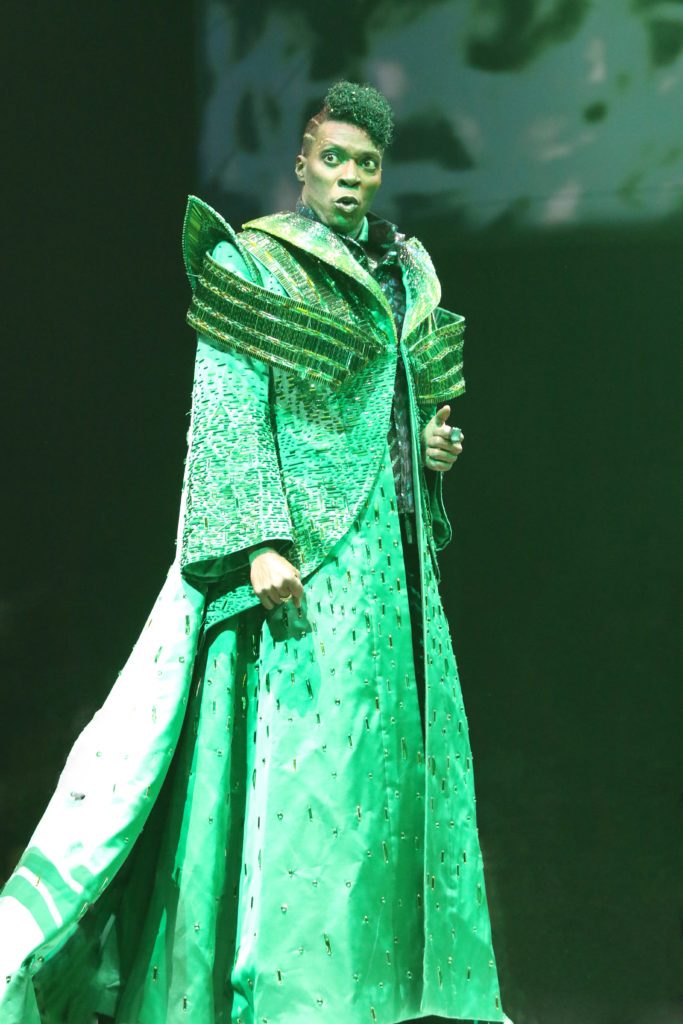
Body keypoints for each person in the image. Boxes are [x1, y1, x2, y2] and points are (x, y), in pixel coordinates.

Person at [0, 83, 511, 1024]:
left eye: (365, 162)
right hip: (303, 556)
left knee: (390, 772)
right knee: (307, 767)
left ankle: (391, 993)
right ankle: (294, 994)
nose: (350, 176)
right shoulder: (262, 260)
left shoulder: (406, 267)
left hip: (390, 565)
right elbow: (231, 404)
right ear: (304, 158)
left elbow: (402, 397)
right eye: (334, 158)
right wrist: (257, 542)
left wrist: (426, 452)